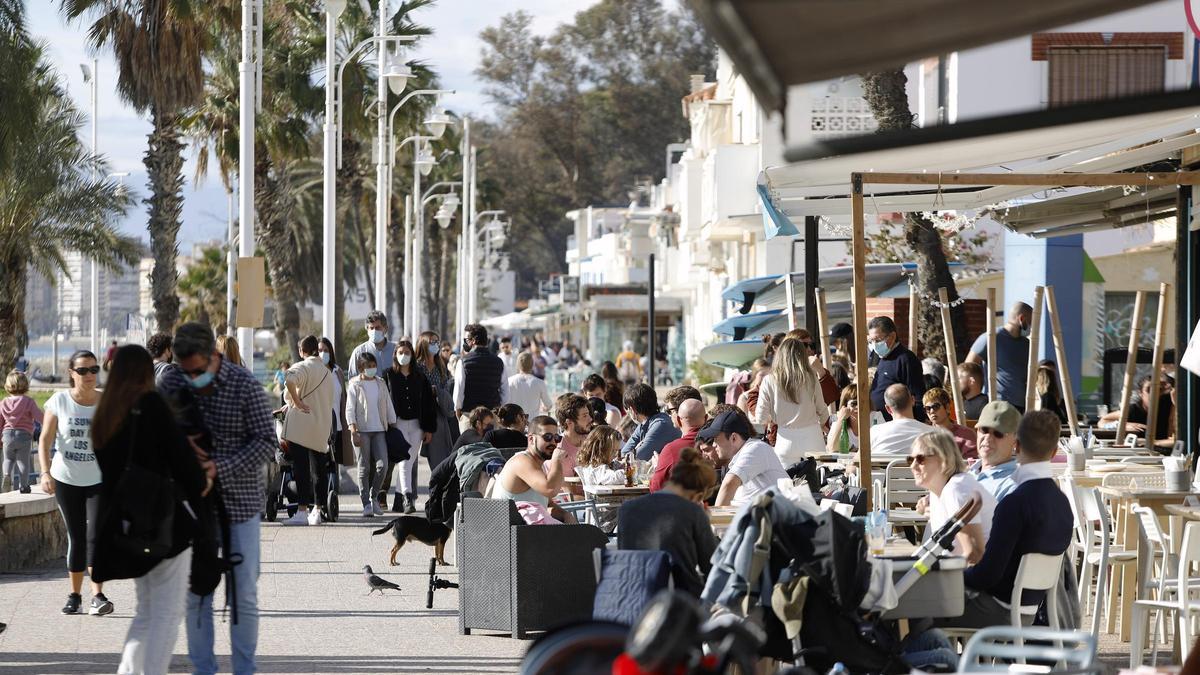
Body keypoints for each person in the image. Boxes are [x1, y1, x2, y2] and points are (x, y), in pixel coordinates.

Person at [158, 322, 276, 675]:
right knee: (196, 594)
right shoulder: (173, 383)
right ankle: (203, 669)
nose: (192, 377)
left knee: (244, 594)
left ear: (214, 355)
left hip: (240, 506)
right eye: (186, 370)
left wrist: (217, 467)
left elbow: (265, 443)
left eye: (198, 369)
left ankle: (244, 669)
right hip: (191, 510)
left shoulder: (245, 386)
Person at [90, 345, 209, 675]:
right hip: (164, 522)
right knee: (167, 614)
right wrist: (203, 480)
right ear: (145, 372)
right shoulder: (151, 405)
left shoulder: (105, 415)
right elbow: (181, 461)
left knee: (147, 610)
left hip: (128, 526)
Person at [935, 410, 1072, 629]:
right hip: (1031, 609)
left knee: (920, 606)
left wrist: (947, 576)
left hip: (999, 611)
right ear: (1054, 451)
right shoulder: (1062, 502)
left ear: (1016, 446)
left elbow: (987, 576)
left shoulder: (1014, 503)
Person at [38, 350, 110, 615]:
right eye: (82, 371)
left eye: (93, 370)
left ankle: (98, 595)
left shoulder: (106, 402)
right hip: (66, 479)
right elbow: (45, 440)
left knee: (95, 537)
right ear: (72, 373)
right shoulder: (59, 401)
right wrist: (45, 473)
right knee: (77, 537)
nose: (89, 375)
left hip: (99, 480)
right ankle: (75, 595)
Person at [618, 447, 719, 596]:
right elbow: (710, 566)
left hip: (633, 597)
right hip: (679, 601)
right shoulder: (692, 512)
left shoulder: (627, 509)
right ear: (698, 496)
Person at [910, 431, 996, 563]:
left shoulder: (956, 488)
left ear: (944, 459)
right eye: (911, 459)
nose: (913, 466)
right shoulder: (939, 490)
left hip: (984, 577)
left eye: (920, 459)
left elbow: (975, 554)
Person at [279, 336, 336, 526]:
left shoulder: (303, 366)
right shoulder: (328, 373)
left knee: (301, 469)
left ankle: (302, 511)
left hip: (300, 426)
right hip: (321, 425)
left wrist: (297, 402)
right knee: (319, 469)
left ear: (302, 350)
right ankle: (317, 511)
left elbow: (288, 379)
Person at [753, 337, 828, 465]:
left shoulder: (769, 380)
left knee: (787, 483)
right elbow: (822, 410)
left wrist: (772, 419)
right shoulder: (810, 378)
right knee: (817, 482)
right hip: (812, 437)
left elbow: (761, 418)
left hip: (785, 440)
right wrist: (820, 424)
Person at [383, 339, 437, 514]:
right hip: (396, 423)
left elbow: (429, 403)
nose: (403, 356)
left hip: (416, 424)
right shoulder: (388, 375)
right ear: (395, 355)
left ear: (412, 355)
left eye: (407, 353)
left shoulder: (420, 377)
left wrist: (429, 428)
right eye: (400, 353)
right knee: (404, 461)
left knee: (408, 461)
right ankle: (408, 498)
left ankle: (399, 500)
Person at [345, 352, 397, 517]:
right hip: (362, 430)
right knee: (364, 467)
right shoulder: (355, 384)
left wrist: (392, 422)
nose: (371, 369)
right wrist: (353, 430)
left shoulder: (381, 383)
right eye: (368, 366)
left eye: (373, 365)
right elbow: (350, 409)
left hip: (380, 430)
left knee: (383, 466)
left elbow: (388, 404)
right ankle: (366, 503)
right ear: (361, 368)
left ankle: (374, 497)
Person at [703, 410, 788, 507]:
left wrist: (714, 519)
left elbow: (729, 484)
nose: (713, 444)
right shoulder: (744, 454)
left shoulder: (756, 448)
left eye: (716, 438)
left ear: (733, 438)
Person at [965, 302, 1033, 410]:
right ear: (1021, 318)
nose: (1031, 326)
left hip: (1022, 405)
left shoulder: (1026, 344)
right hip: (997, 404)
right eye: (1030, 321)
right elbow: (967, 368)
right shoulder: (991, 337)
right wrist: (976, 399)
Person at [491, 415, 568, 507]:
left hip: (529, 520)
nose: (553, 442)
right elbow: (550, 489)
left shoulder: (539, 464)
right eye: (547, 437)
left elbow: (547, 505)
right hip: (512, 521)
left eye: (556, 438)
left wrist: (565, 515)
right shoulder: (521, 461)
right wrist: (557, 460)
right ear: (531, 439)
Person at [867, 316, 926, 422]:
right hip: (879, 421)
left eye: (878, 340)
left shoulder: (905, 359)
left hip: (899, 423)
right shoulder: (881, 358)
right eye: (871, 341)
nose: (874, 345)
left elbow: (917, 396)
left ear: (892, 336)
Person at [453, 324, 507, 431]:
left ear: (472, 341)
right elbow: (505, 391)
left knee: (470, 447)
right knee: (491, 447)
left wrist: (457, 409)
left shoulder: (463, 362)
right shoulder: (499, 362)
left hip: (470, 415)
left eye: (467, 339)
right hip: (492, 415)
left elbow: (459, 389)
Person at [415, 331, 456, 470]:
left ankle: (438, 489)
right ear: (424, 343)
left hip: (437, 415)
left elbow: (445, 388)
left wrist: (437, 391)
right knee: (410, 461)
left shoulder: (440, 366)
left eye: (437, 341)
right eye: (432, 341)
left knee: (439, 458)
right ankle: (409, 492)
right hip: (418, 415)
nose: (436, 345)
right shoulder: (416, 366)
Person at [651, 399, 706, 492]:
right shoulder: (717, 444)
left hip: (682, 505)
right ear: (706, 418)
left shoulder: (671, 449)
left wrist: (657, 467)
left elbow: (656, 489)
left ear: (678, 420)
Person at [972, 401, 1022, 502]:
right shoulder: (969, 472)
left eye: (998, 433)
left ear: (1015, 441)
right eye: (984, 430)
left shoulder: (1014, 487)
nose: (988, 438)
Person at [1, 370, 41, 493]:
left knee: (8, 459)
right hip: (24, 435)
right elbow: (40, 417)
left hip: (7, 435)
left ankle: (7, 475)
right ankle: (24, 486)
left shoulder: (3, 403)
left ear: (7, 387)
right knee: (22, 462)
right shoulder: (29, 402)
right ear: (26, 386)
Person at [1099, 375, 1173, 442]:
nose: (1154, 394)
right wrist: (1123, 425)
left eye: (1159, 390)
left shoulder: (1169, 408)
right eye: (1149, 390)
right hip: (1137, 449)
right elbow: (1103, 421)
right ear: (1140, 393)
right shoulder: (1134, 410)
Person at [620, 383, 681, 462]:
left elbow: (638, 457)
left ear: (632, 409)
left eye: (627, 410)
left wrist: (635, 449)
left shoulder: (661, 424)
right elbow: (623, 454)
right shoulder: (644, 424)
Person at [871, 384, 933, 456]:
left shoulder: (874, 432)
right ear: (913, 400)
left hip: (885, 467)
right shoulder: (932, 434)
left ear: (888, 409)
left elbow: (857, 461)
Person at [318, 337, 349, 478]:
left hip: (337, 427)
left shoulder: (337, 372)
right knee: (321, 464)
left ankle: (333, 492)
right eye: (319, 350)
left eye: (326, 350)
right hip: (318, 424)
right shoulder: (313, 371)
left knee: (334, 463)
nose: (323, 353)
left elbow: (344, 398)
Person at [923, 387, 977, 460]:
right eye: (927, 408)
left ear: (947, 407)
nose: (932, 411)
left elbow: (972, 464)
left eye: (936, 406)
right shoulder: (923, 436)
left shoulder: (966, 434)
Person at [574, 425, 626, 490]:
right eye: (613, 451)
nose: (615, 454)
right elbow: (615, 478)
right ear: (601, 449)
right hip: (601, 500)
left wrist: (623, 465)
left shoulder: (605, 464)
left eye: (617, 451)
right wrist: (631, 471)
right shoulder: (595, 468)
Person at [348, 310, 397, 378]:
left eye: (377, 328)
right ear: (367, 329)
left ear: (385, 328)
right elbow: (353, 378)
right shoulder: (359, 352)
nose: (374, 331)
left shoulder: (396, 350)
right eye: (371, 328)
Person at [554, 393, 592, 478]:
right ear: (569, 422)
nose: (590, 419)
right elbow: (569, 488)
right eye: (585, 416)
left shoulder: (591, 442)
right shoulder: (559, 449)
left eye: (588, 414)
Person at [508, 352, 553, 417]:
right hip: (532, 423)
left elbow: (504, 403)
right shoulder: (540, 383)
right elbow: (549, 405)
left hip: (513, 422)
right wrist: (544, 408)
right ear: (532, 365)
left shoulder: (509, 381)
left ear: (517, 365)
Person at [825, 385, 859, 455]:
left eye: (862, 402)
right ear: (845, 405)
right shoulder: (837, 422)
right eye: (854, 403)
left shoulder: (875, 417)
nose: (858, 407)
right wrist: (841, 420)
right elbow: (831, 448)